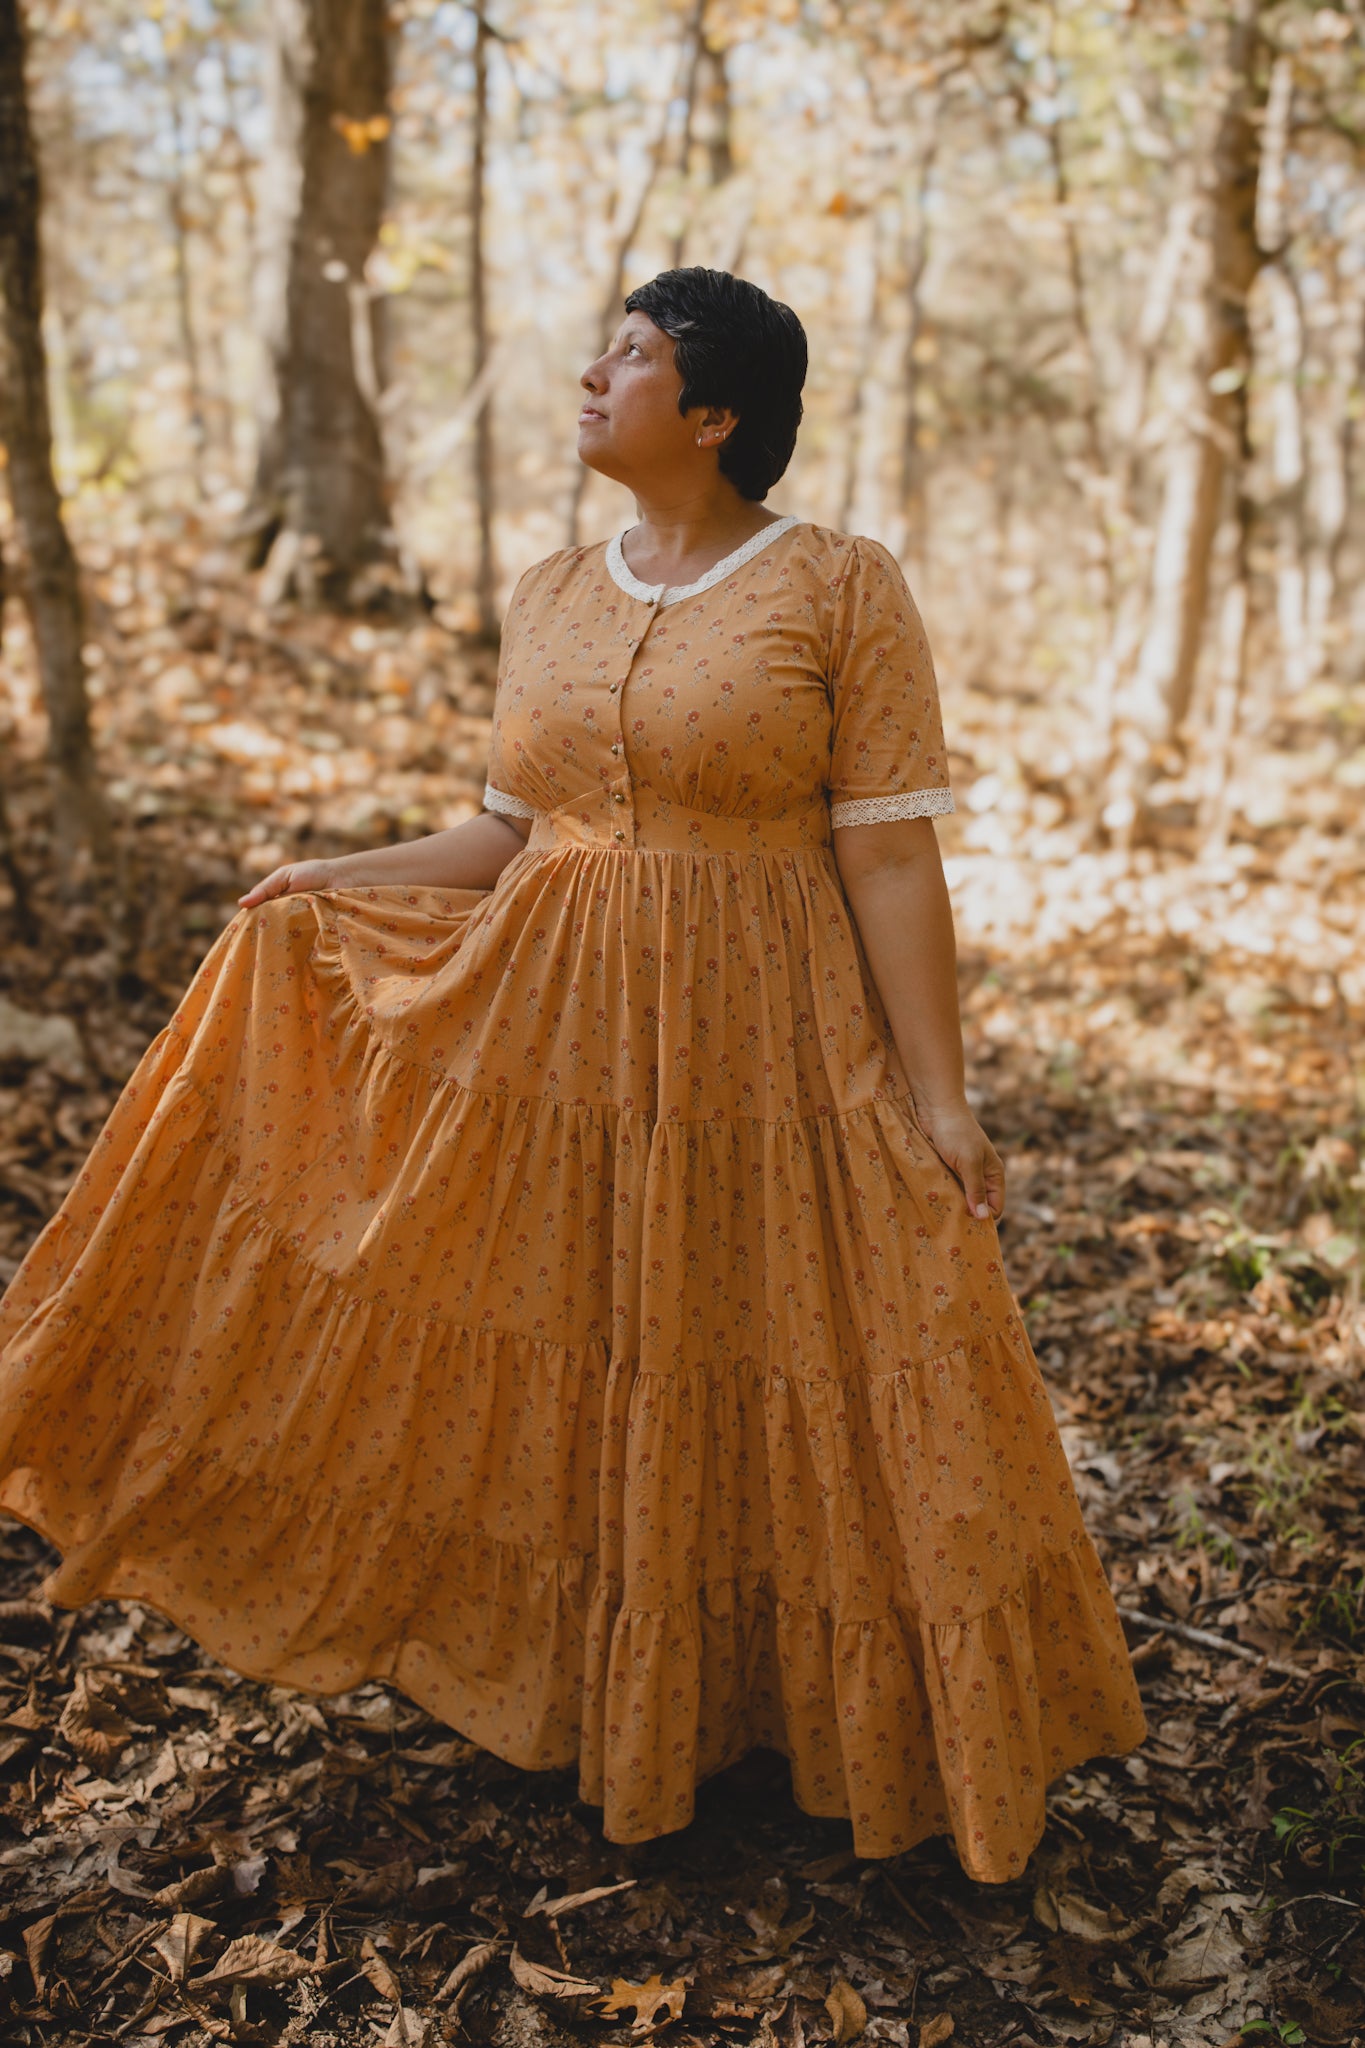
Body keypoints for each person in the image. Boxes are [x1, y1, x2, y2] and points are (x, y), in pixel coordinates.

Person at [0, 267, 1145, 1883]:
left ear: (719, 412)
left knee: (768, 1340)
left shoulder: (837, 585)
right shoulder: (548, 594)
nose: (593, 376)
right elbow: (511, 830)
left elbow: (887, 858)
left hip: (767, 1046)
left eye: (635, 356)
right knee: (587, 1343)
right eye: (604, 348)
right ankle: (596, 1701)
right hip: (552, 1045)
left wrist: (937, 1092)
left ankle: (791, 1718)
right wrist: (336, 871)